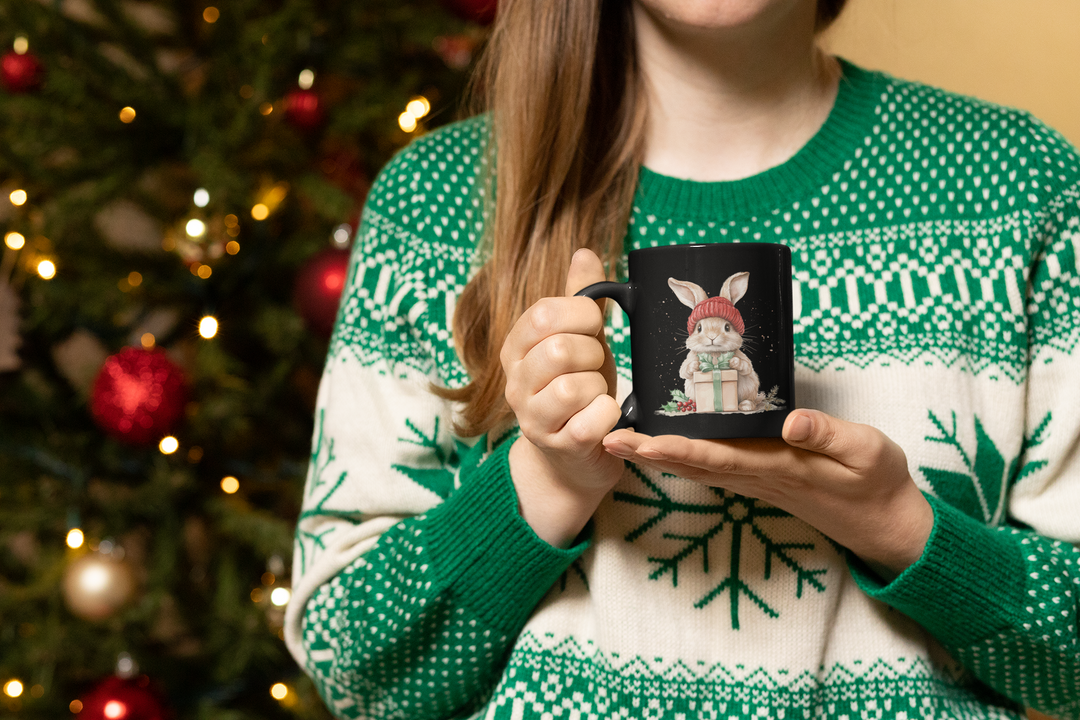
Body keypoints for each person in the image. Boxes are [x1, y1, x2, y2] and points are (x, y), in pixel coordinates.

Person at [285, 1, 1080, 718]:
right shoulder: (437, 204)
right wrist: (547, 479)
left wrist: (898, 528)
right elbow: (356, 672)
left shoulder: (1020, 187)